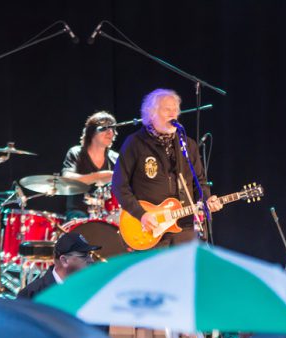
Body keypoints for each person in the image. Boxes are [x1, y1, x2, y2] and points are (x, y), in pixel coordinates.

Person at [112, 89, 222, 247]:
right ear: (151, 114)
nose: (173, 114)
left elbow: (200, 181)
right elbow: (119, 185)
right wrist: (141, 214)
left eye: (175, 110)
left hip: (185, 228)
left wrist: (206, 199)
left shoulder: (187, 144)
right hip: (150, 229)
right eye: (167, 109)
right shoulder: (135, 143)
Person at [62, 111, 120, 220]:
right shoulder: (76, 153)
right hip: (78, 213)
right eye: (105, 128)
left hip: (108, 215)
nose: (110, 132)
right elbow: (67, 180)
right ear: (91, 131)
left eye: (113, 129)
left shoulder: (116, 158)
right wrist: (100, 176)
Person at [16, 231, 100, 299]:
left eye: (90, 255)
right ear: (64, 260)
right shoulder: (32, 295)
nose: (91, 260)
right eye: (84, 256)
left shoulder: (90, 290)